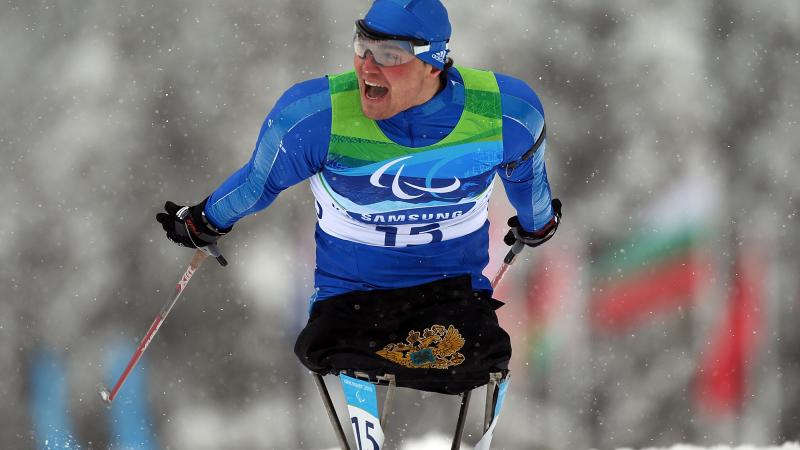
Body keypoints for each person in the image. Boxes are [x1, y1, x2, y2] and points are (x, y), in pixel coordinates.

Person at [156, 0, 561, 395]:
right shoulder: (315, 118)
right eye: (362, 47)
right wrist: (204, 220)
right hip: (351, 299)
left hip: (452, 296)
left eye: (388, 54)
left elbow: (529, 186)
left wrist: (538, 223)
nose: (367, 66)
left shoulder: (504, 114)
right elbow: (258, 184)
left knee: (485, 356)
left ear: (432, 62)